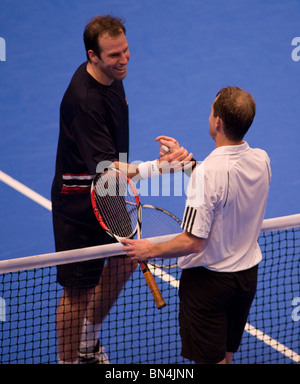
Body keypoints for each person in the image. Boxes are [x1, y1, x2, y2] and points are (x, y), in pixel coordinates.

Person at [51, 15, 193, 364]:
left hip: (110, 192)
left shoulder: (113, 76)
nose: (124, 59)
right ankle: (67, 362)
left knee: (127, 261)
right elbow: (104, 167)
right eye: (114, 55)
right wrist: (160, 168)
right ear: (92, 55)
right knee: (78, 291)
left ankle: (88, 341)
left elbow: (113, 158)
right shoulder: (83, 101)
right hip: (80, 203)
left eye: (126, 50)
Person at [123, 86, 271, 364]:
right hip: (246, 279)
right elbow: (226, 182)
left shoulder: (207, 174)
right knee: (225, 359)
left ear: (218, 122)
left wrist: (148, 250)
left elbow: (193, 241)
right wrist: (187, 161)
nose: (209, 116)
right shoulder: (262, 159)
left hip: (209, 285)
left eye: (211, 111)